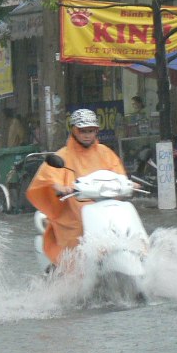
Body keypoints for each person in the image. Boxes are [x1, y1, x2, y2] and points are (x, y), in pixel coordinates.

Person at [26, 108, 126, 269]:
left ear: (96, 131)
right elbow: (50, 175)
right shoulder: (63, 155)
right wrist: (59, 186)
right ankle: (74, 275)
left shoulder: (105, 153)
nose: (87, 135)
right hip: (73, 212)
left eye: (91, 130)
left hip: (103, 208)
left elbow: (118, 172)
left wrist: (127, 184)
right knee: (75, 239)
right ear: (74, 130)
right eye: (83, 130)